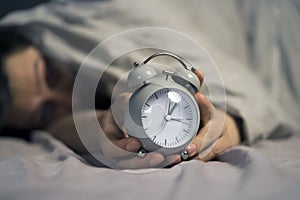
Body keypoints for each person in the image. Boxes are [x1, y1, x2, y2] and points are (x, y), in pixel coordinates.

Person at [0, 25, 241, 169]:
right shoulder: (60, 125)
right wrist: (100, 127)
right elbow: (61, 128)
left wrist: (233, 120)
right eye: (45, 110)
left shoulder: (88, 27)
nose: (64, 98)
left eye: (50, 76)